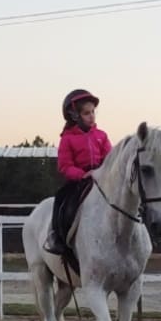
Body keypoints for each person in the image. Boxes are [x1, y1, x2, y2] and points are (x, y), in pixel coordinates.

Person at [45, 89, 112, 254]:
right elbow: (65, 166)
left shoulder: (102, 136)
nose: (92, 116)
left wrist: (102, 172)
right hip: (79, 182)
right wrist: (82, 175)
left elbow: (110, 159)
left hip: (101, 179)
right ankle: (56, 237)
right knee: (61, 199)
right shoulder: (67, 139)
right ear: (75, 116)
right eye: (87, 113)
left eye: (93, 112)